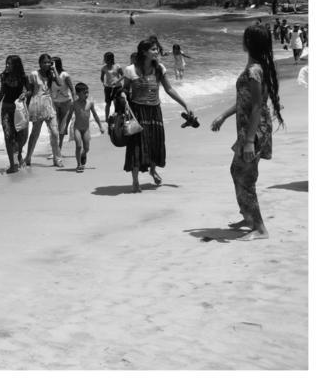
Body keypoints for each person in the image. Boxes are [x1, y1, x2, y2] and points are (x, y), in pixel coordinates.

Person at [210, 24, 284, 241]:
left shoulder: (254, 71)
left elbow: (256, 106)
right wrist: (223, 115)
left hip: (254, 132)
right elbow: (246, 101)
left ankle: (260, 229)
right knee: (236, 170)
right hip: (251, 130)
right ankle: (249, 216)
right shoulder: (258, 67)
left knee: (245, 176)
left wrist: (250, 140)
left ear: (249, 43)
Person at [122, 39, 193, 192]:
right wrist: (122, 96)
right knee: (136, 145)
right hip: (137, 112)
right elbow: (125, 90)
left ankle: (153, 170)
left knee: (155, 142)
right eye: (153, 49)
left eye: (157, 49)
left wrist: (185, 104)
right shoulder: (130, 70)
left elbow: (169, 89)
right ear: (144, 52)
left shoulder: (160, 68)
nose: (157, 52)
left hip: (154, 111)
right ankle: (135, 180)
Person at [0, 55, 31, 173]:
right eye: (6, 63)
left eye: (9, 64)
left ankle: (19, 154)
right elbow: (2, 91)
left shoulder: (23, 77)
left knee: (21, 137)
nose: (7, 66)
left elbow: (30, 90)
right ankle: (12, 165)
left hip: (18, 110)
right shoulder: (4, 76)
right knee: (8, 136)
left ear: (16, 65)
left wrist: (25, 94)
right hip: (6, 109)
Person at [25, 54, 62, 168]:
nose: (46, 64)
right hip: (37, 106)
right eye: (44, 62)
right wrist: (25, 109)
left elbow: (60, 83)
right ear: (40, 63)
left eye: (48, 62)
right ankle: (28, 158)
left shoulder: (51, 74)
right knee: (35, 133)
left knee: (55, 133)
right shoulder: (34, 74)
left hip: (49, 105)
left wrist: (54, 68)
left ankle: (57, 159)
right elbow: (29, 91)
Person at [70, 82, 104, 173]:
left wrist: (100, 126)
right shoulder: (74, 104)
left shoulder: (90, 103)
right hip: (77, 128)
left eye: (87, 92)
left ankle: (83, 154)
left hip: (86, 129)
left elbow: (96, 116)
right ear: (77, 94)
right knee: (78, 145)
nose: (87, 95)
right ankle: (79, 165)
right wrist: (64, 128)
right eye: (84, 93)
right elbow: (69, 116)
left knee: (87, 148)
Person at [49, 57, 76, 144]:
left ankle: (58, 149)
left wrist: (76, 102)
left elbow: (72, 89)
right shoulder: (50, 75)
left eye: (51, 63)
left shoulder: (65, 75)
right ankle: (56, 149)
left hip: (66, 104)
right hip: (54, 103)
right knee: (54, 127)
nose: (49, 65)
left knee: (62, 128)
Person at [99, 51, 124, 118]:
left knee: (116, 102)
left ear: (111, 59)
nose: (105, 60)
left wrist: (117, 81)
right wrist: (103, 83)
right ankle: (106, 118)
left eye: (107, 59)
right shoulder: (104, 68)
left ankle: (117, 116)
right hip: (108, 88)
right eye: (105, 59)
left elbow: (123, 75)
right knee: (108, 103)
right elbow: (101, 78)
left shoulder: (117, 66)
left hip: (118, 87)